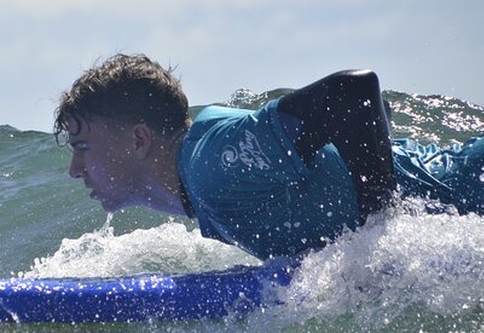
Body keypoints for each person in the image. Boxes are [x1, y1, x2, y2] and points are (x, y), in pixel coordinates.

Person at [54, 53, 483, 260]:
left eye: (83, 147)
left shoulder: (212, 166)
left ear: (139, 139)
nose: (76, 170)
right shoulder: (202, 182)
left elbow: (354, 94)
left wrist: (381, 232)